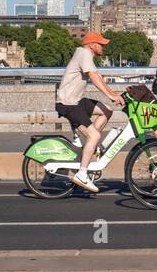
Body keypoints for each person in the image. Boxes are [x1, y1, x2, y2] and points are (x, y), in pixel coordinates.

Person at [53, 31, 125, 193]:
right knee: (95, 135)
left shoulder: (86, 55)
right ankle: (82, 174)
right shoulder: (84, 53)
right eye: (101, 44)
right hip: (68, 104)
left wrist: (114, 95)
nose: (104, 47)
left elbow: (98, 77)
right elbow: (93, 77)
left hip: (77, 101)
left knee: (107, 110)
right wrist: (110, 94)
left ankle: (90, 147)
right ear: (92, 45)